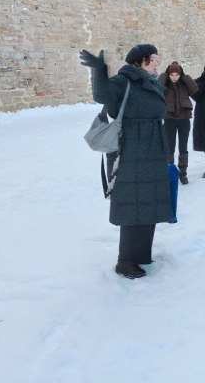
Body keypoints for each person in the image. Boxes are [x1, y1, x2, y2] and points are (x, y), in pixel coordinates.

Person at [79, 44, 173, 279]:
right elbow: (102, 96)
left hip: (152, 150)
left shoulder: (153, 82)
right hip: (130, 152)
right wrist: (99, 70)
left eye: (157, 59)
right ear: (139, 61)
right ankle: (125, 261)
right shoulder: (124, 80)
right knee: (132, 206)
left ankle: (141, 254)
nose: (157, 63)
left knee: (148, 205)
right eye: (153, 59)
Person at [158, 61, 199, 185]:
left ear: (180, 75)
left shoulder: (184, 84)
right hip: (169, 120)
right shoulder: (165, 84)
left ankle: (183, 173)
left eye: (177, 75)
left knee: (183, 147)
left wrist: (185, 76)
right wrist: (164, 75)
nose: (174, 77)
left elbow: (195, 89)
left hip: (184, 120)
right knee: (169, 148)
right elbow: (157, 88)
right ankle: (170, 172)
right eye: (172, 75)